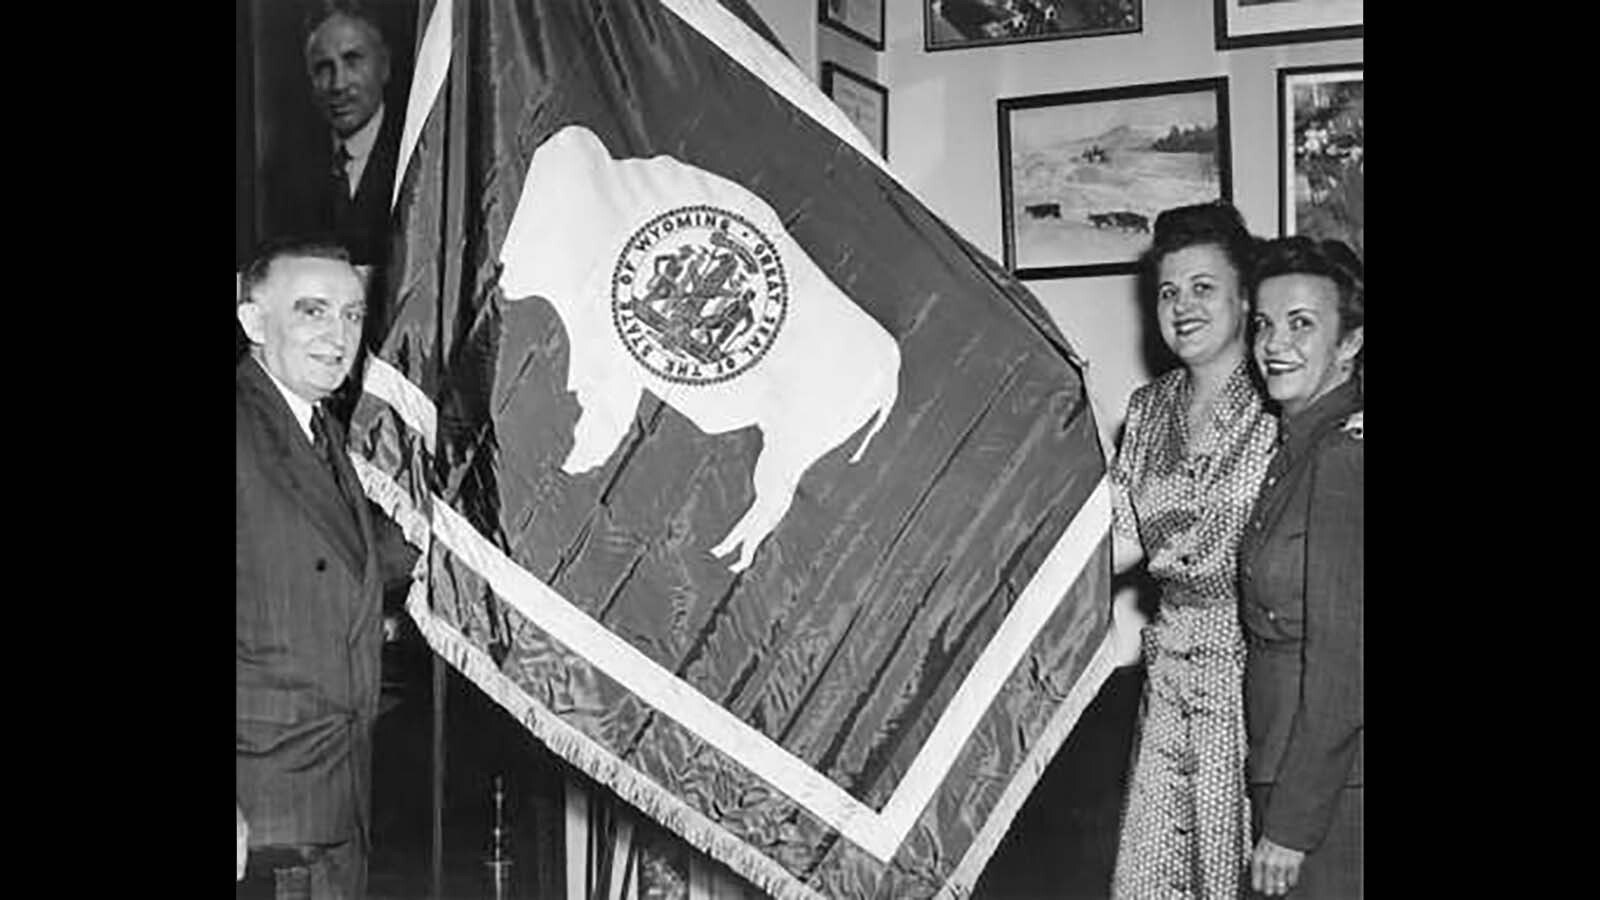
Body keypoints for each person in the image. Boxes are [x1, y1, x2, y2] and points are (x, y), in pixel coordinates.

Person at [1109, 201, 1277, 899]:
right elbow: (1117, 539)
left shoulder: (1285, 399)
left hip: (1257, 676)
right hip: (1168, 674)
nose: (1181, 307)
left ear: (1245, 298)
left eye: (1203, 288)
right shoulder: (1148, 409)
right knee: (1154, 876)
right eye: (1168, 291)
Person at [236, 237, 399, 898]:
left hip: (335, 795)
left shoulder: (320, 429)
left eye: (353, 315)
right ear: (252, 321)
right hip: (262, 811)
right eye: (312, 311)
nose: (339, 335)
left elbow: (347, 567)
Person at [1237, 237, 1363, 898]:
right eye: (1263, 324)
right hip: (1290, 768)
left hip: (1330, 792)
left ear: (1350, 342)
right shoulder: (1296, 445)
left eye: (1302, 324)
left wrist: (1291, 824)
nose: (1273, 344)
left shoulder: (1342, 457)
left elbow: (1345, 665)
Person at [261, 2, 402, 268]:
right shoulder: (287, 169)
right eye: (323, 68)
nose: (338, 84)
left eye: (352, 61)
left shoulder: (415, 156)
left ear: (384, 66)